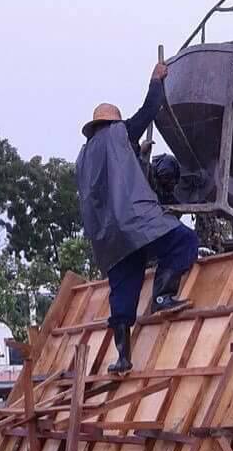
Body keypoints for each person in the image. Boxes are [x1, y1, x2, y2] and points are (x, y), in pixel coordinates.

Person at [76, 63, 199, 374]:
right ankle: (163, 296)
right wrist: (155, 81)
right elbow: (148, 112)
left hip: (108, 241)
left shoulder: (83, 156)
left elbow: (115, 171)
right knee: (184, 240)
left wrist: (138, 153)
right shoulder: (117, 133)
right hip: (135, 222)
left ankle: (122, 359)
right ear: (113, 123)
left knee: (123, 293)